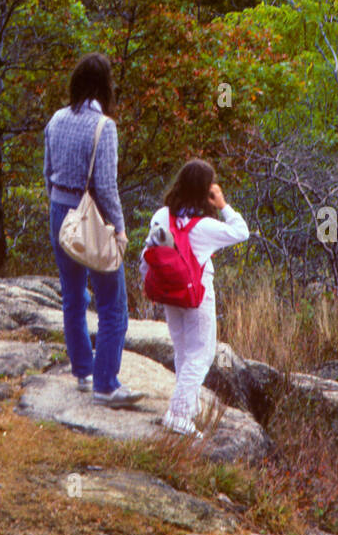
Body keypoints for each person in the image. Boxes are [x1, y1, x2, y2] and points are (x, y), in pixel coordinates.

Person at [44, 53, 144, 408]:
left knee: (72, 297)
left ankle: (83, 371)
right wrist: (119, 229)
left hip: (60, 213)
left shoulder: (56, 119)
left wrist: (62, 211)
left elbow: (47, 171)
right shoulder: (105, 127)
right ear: (105, 87)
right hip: (95, 218)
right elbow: (106, 186)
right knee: (113, 304)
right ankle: (106, 384)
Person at [140, 158, 249, 436]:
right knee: (202, 354)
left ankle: (185, 406)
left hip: (169, 292)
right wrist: (223, 204)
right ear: (205, 191)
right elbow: (241, 232)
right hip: (197, 294)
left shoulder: (161, 216)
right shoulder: (204, 227)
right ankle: (178, 414)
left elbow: (148, 252)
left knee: (183, 350)